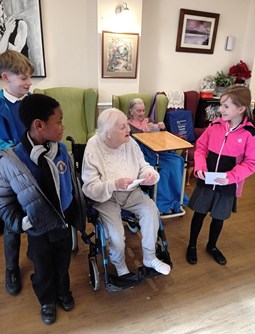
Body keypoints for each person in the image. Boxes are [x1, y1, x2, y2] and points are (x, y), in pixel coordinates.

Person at [0, 94, 85, 324]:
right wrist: (21, 223)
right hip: (37, 229)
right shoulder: (11, 161)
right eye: (58, 121)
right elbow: (5, 200)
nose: (62, 126)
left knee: (62, 263)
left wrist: (78, 214)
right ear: (39, 125)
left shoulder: (61, 152)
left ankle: (63, 291)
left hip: (63, 223)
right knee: (43, 267)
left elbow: (71, 187)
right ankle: (47, 300)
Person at [82, 108, 171, 277]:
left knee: (151, 211)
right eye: (122, 127)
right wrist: (114, 184)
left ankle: (150, 257)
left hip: (131, 192)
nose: (128, 129)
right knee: (116, 234)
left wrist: (149, 175)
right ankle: (119, 264)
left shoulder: (129, 141)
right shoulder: (93, 147)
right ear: (108, 133)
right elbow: (90, 187)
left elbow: (143, 165)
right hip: (106, 198)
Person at [186, 85, 255, 266]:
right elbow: (200, 147)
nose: (220, 109)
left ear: (240, 109)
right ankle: (192, 245)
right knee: (199, 214)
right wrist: (200, 166)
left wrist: (231, 177)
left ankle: (212, 246)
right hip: (206, 180)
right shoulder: (215, 125)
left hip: (228, 184)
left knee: (218, 217)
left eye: (226, 106)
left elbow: (251, 162)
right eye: (221, 105)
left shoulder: (249, 134)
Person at [0, 49, 34, 295]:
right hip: (9, 176)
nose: (29, 83)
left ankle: (36, 255)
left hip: (34, 173)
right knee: (12, 225)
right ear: (5, 77)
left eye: (28, 77)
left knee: (35, 216)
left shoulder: (33, 104)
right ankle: (11, 268)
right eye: (23, 78)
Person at [127, 98, 189, 215]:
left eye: (143, 110)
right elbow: (127, 145)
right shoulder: (127, 125)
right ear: (131, 111)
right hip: (142, 155)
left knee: (177, 162)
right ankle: (163, 204)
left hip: (157, 151)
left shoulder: (149, 120)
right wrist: (141, 133)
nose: (141, 114)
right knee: (164, 171)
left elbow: (160, 138)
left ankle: (177, 200)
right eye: (138, 111)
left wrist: (162, 128)